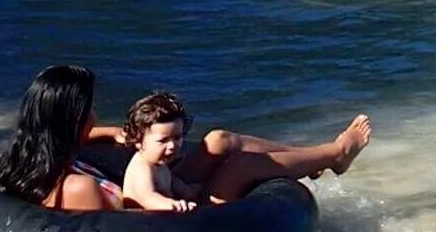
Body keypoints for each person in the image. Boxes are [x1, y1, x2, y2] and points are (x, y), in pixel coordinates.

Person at [121, 87, 372, 206]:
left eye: (177, 138)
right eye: (163, 141)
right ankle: (334, 154)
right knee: (241, 164)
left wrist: (187, 190)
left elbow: (172, 184)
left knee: (219, 139)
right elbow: (148, 197)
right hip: (171, 228)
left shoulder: (158, 162)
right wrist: (174, 204)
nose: (173, 146)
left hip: (181, 202)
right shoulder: (142, 169)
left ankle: (316, 158)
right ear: (138, 141)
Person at [0, 63, 125, 212]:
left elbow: (59, 136)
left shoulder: (22, 165)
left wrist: (111, 132)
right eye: (91, 108)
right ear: (74, 120)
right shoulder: (78, 188)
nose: (94, 116)